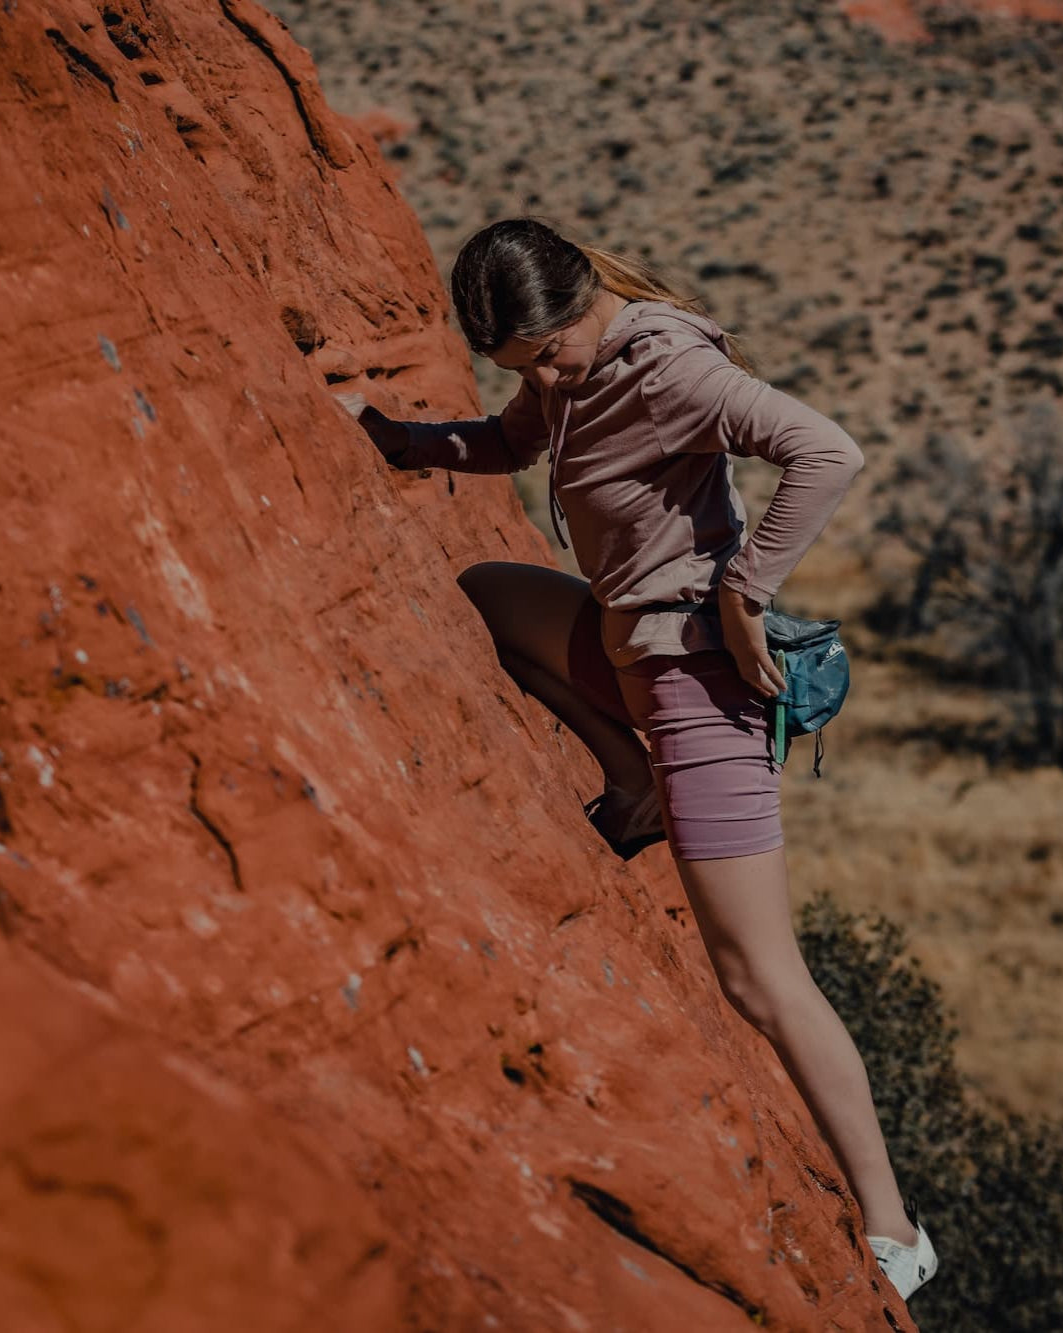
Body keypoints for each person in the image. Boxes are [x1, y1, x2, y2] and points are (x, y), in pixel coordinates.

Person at [336, 216, 938, 1304]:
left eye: (552, 357)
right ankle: (636, 778)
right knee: (487, 595)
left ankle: (896, 1225)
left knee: (760, 975)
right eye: (525, 369)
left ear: (580, 309)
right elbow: (514, 446)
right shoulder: (563, 374)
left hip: (701, 685)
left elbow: (828, 449)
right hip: (628, 654)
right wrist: (396, 436)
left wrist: (745, 592)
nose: (549, 380)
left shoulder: (667, 366)